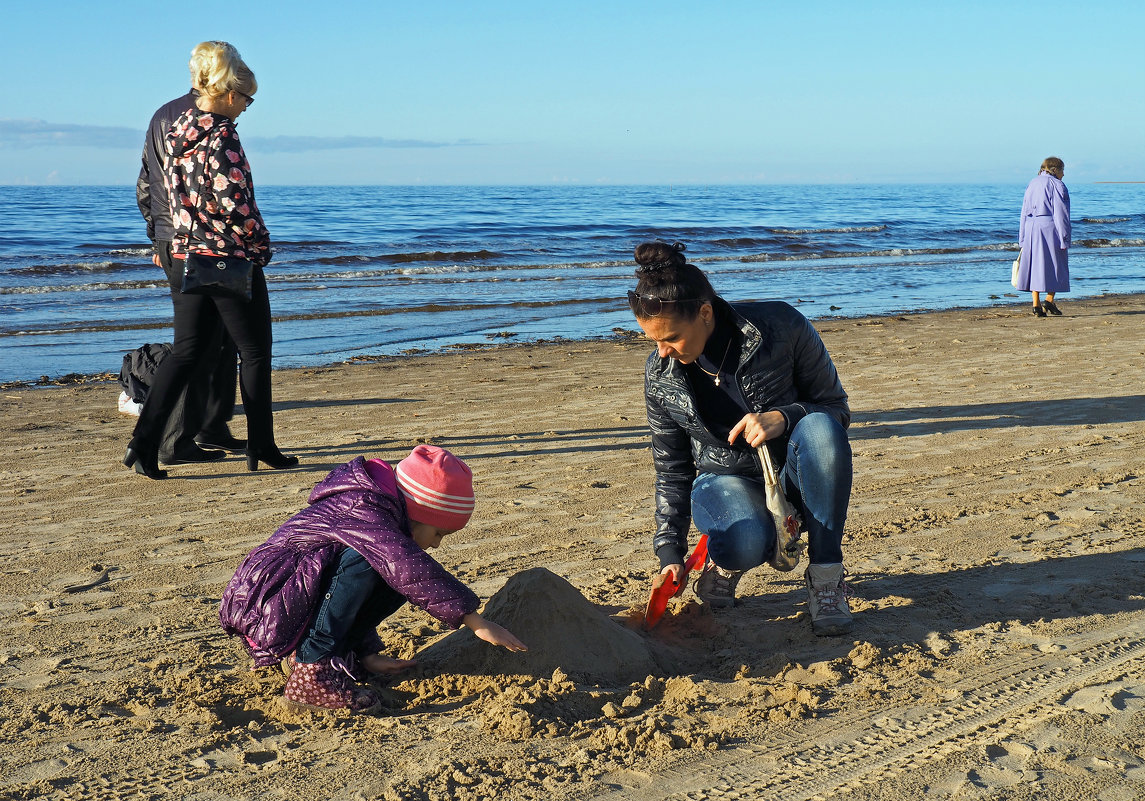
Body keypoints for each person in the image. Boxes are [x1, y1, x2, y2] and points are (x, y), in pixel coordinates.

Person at [627, 241, 855, 636]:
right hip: (723, 480)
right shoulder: (660, 375)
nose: (662, 353)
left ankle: (827, 580)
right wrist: (670, 551)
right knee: (746, 541)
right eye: (653, 342)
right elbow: (671, 468)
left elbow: (835, 407)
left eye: (672, 338)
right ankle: (725, 560)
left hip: (795, 473)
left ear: (704, 312)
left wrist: (784, 417)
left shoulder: (782, 326)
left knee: (822, 430)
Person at [219, 445, 528, 712]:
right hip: (267, 604)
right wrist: (474, 620)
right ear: (420, 509)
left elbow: (347, 585)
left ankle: (326, 656)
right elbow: (394, 566)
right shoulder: (365, 508)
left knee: (394, 570)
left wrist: (365, 654)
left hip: (291, 608)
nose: (436, 544)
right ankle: (312, 672)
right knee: (390, 563)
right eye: (438, 533)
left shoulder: (383, 515)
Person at [123, 41, 296, 478]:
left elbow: (153, 187)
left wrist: (162, 238)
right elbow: (235, 202)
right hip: (226, 257)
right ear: (229, 93)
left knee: (187, 351)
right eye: (246, 99)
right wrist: (260, 243)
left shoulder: (178, 128)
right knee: (255, 352)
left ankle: (143, 444)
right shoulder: (223, 133)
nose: (246, 108)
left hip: (183, 252)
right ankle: (263, 446)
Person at [134, 47, 244, 466]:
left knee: (214, 339)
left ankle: (210, 426)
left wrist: (157, 236)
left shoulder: (162, 114)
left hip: (172, 237)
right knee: (202, 342)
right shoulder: (209, 118)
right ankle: (177, 437)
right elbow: (220, 190)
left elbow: (146, 180)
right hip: (202, 241)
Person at [1016, 157, 1071, 317]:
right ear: (1055, 170)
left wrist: (1022, 237)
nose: (1063, 174)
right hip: (1049, 226)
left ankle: (1036, 305)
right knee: (1056, 263)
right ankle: (1049, 298)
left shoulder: (1032, 183)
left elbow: (1024, 211)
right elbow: (1061, 213)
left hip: (1031, 227)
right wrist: (1065, 237)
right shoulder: (1057, 185)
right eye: (1062, 170)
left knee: (1034, 265)